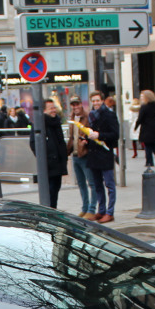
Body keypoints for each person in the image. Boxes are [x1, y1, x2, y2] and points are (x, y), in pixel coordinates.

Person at [27, 99, 69, 209]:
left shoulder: (56, 122)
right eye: (51, 108)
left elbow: (60, 142)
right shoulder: (39, 123)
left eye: (54, 107)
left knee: (55, 191)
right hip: (48, 165)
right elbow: (33, 143)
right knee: (49, 192)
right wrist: (44, 157)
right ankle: (48, 215)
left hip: (58, 164)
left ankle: (53, 213)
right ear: (44, 110)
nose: (54, 110)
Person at [85, 89, 119, 223]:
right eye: (93, 101)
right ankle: (101, 210)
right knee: (97, 185)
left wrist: (99, 135)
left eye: (98, 100)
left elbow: (115, 134)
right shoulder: (91, 115)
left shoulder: (109, 115)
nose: (95, 103)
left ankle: (109, 212)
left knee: (109, 184)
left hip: (105, 154)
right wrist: (86, 139)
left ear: (102, 101)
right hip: (94, 154)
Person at [67, 97, 98, 220]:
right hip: (75, 155)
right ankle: (85, 208)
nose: (75, 107)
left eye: (77, 104)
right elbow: (71, 137)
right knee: (81, 183)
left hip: (85, 154)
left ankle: (92, 209)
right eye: (73, 105)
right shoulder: (72, 118)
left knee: (91, 182)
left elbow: (93, 134)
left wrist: (86, 142)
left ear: (81, 104)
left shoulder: (88, 117)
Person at [134, 90, 155, 168]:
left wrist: (135, 127)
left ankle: (149, 162)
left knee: (147, 146)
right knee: (152, 143)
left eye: (142, 97)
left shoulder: (144, 107)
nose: (141, 98)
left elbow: (140, 118)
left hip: (146, 128)